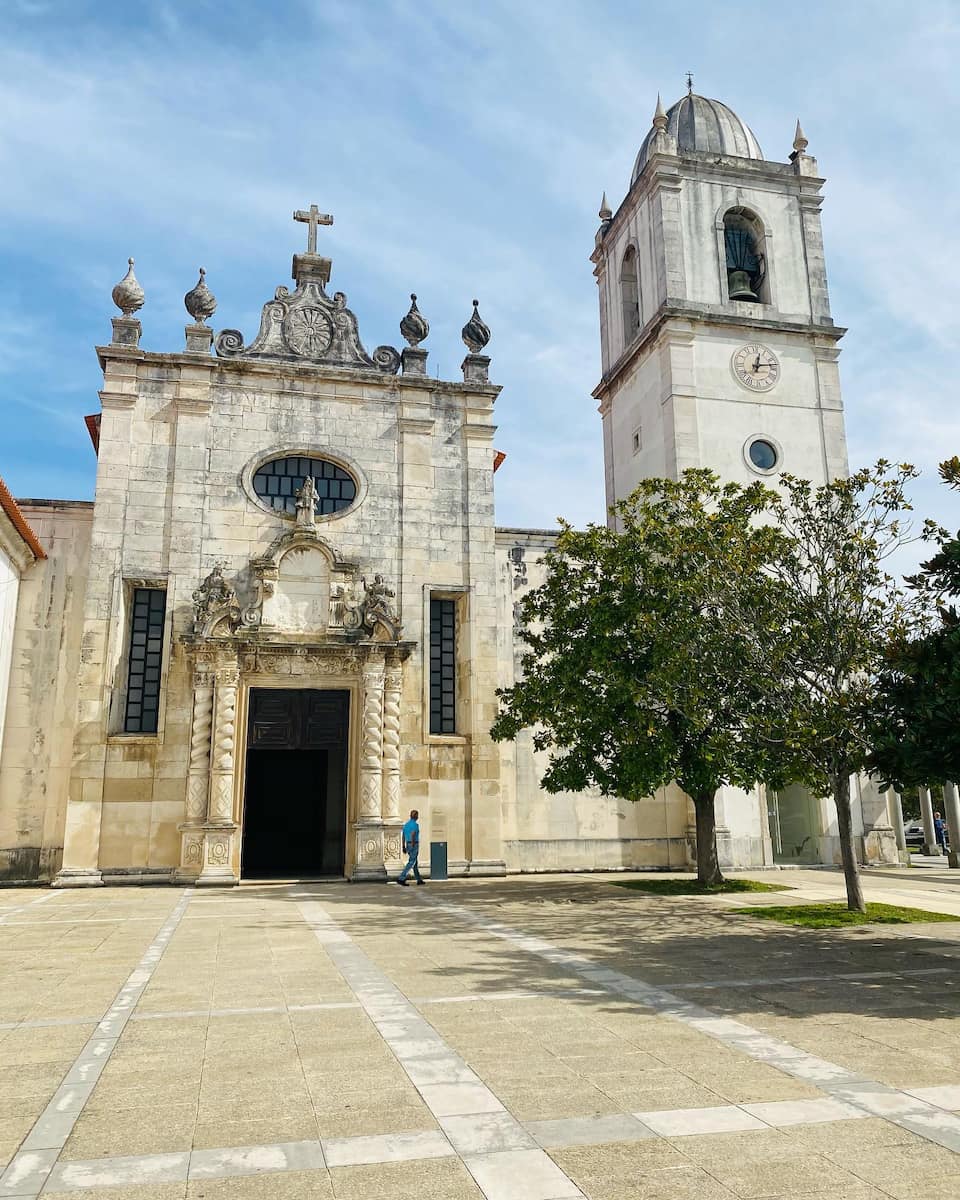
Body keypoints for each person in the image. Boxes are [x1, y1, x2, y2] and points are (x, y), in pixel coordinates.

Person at [397, 809, 425, 886]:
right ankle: (401, 878)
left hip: (407, 844)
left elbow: (403, 836)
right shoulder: (415, 825)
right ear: (416, 816)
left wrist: (403, 846)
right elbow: (413, 834)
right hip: (414, 844)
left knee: (415, 862)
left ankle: (419, 879)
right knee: (411, 862)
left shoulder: (406, 825)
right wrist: (413, 844)